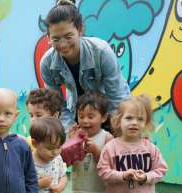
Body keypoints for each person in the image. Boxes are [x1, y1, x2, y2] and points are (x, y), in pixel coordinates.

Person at [39, 0, 130, 131]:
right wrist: (70, 131)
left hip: (108, 112)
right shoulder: (47, 64)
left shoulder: (101, 52)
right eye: (56, 39)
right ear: (48, 37)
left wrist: (118, 132)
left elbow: (117, 97)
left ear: (80, 29)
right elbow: (58, 107)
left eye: (68, 36)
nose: (63, 44)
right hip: (78, 116)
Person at [97, 94, 168, 193]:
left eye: (140, 119)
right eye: (129, 118)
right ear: (118, 120)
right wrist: (123, 175)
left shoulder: (150, 148)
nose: (134, 122)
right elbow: (102, 171)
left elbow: (161, 169)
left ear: (146, 123)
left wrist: (146, 177)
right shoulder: (110, 148)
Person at [70, 92, 113, 193]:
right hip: (79, 191)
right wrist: (70, 143)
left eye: (90, 116)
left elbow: (109, 165)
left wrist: (95, 151)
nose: (85, 121)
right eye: (81, 116)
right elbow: (65, 161)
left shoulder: (107, 138)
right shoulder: (76, 137)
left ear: (104, 117)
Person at [30, 117, 67, 193]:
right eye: (50, 148)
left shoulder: (58, 158)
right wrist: (38, 185)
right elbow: (21, 187)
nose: (55, 152)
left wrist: (60, 187)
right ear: (34, 143)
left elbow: (63, 176)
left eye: (59, 147)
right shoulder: (29, 162)